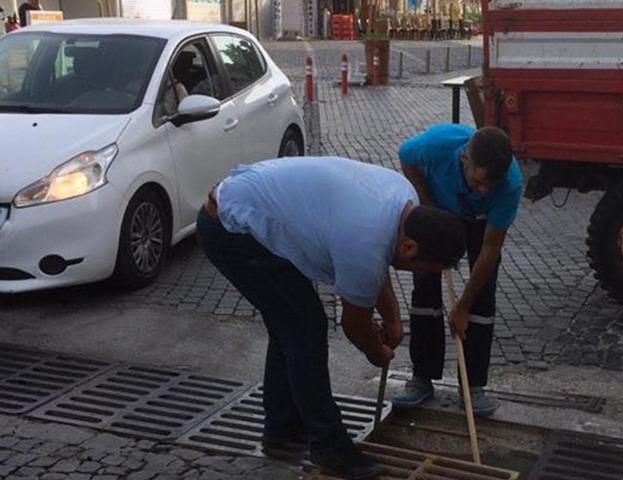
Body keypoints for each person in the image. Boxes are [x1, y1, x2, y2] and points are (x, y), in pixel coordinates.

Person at [196, 156, 466, 479]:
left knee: (291, 325)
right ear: (409, 248)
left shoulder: (403, 199)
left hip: (247, 206)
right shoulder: (365, 238)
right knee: (304, 329)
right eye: (422, 269)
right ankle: (329, 445)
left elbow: (378, 261)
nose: (418, 273)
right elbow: (354, 324)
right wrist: (376, 352)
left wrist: (393, 320)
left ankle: (282, 427)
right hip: (231, 227)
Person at [392, 124, 523, 417]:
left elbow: (490, 249)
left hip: (481, 223)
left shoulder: (510, 184)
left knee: (482, 297)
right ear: (465, 159)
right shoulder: (435, 145)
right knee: (425, 289)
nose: (484, 190)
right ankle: (422, 378)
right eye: (478, 182)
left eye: (490, 185)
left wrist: (463, 306)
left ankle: (473, 386)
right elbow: (405, 157)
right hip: (440, 209)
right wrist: (427, 204)